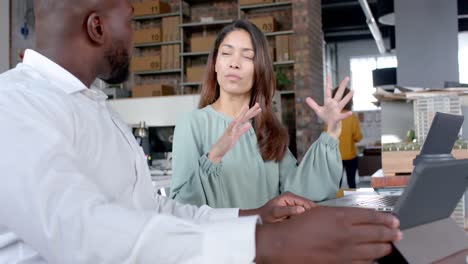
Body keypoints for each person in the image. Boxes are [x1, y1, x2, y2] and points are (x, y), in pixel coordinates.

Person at [0, 1, 402, 263]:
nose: (136, 35)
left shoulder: (97, 110)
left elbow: (157, 211)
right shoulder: (14, 105)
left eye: (246, 56)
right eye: (132, 21)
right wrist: (264, 244)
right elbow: (80, 231)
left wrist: (254, 217)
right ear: (97, 28)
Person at [170, 19, 353, 209]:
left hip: (268, 238)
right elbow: (181, 207)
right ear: (215, 64)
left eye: (247, 57)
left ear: (260, 69)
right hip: (218, 239)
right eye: (226, 53)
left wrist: (331, 132)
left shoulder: (268, 130)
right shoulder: (191, 124)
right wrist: (214, 156)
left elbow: (300, 194)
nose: (234, 63)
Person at [332, 86, 363, 189]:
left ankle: (335, 204)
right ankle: (352, 204)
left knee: (336, 184)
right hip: (351, 156)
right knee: (351, 183)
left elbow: (326, 136)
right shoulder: (352, 116)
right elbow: (358, 137)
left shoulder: (331, 116)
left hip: (335, 157)